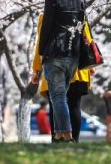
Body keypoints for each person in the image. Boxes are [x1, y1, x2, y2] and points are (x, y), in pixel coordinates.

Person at [35, 0, 85, 143]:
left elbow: (47, 26)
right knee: (61, 95)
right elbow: (81, 24)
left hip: (55, 53)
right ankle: (58, 133)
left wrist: (41, 51)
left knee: (57, 97)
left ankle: (67, 135)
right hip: (73, 53)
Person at [32, 12, 93, 142]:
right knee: (74, 105)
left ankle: (57, 141)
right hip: (77, 69)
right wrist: (90, 66)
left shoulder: (46, 16)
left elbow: (40, 45)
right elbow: (87, 40)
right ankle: (73, 142)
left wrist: (36, 69)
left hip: (55, 67)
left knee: (56, 103)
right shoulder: (80, 14)